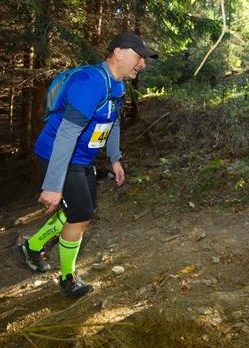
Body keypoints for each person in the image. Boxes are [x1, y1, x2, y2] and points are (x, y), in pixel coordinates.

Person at [15, 32, 157, 298]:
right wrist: (53, 184)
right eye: (139, 57)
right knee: (80, 214)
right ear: (118, 53)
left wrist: (115, 158)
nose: (142, 64)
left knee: (84, 210)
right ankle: (68, 278)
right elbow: (67, 133)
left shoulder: (116, 86)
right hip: (58, 154)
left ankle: (31, 247)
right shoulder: (91, 82)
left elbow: (112, 122)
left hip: (80, 158)